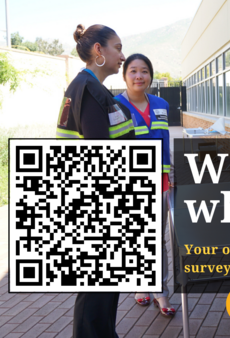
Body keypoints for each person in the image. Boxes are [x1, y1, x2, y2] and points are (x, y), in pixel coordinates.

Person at [56, 24, 133, 338]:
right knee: (98, 293)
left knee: (100, 292)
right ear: (99, 51)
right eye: (117, 47)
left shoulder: (88, 88)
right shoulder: (89, 90)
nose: (122, 55)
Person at [114, 53, 175, 318]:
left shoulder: (161, 103)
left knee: (157, 239)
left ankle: (160, 291)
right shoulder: (113, 105)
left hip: (160, 181)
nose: (139, 76)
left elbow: (165, 139)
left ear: (150, 75)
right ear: (125, 75)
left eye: (144, 71)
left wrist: (172, 174)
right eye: (133, 71)